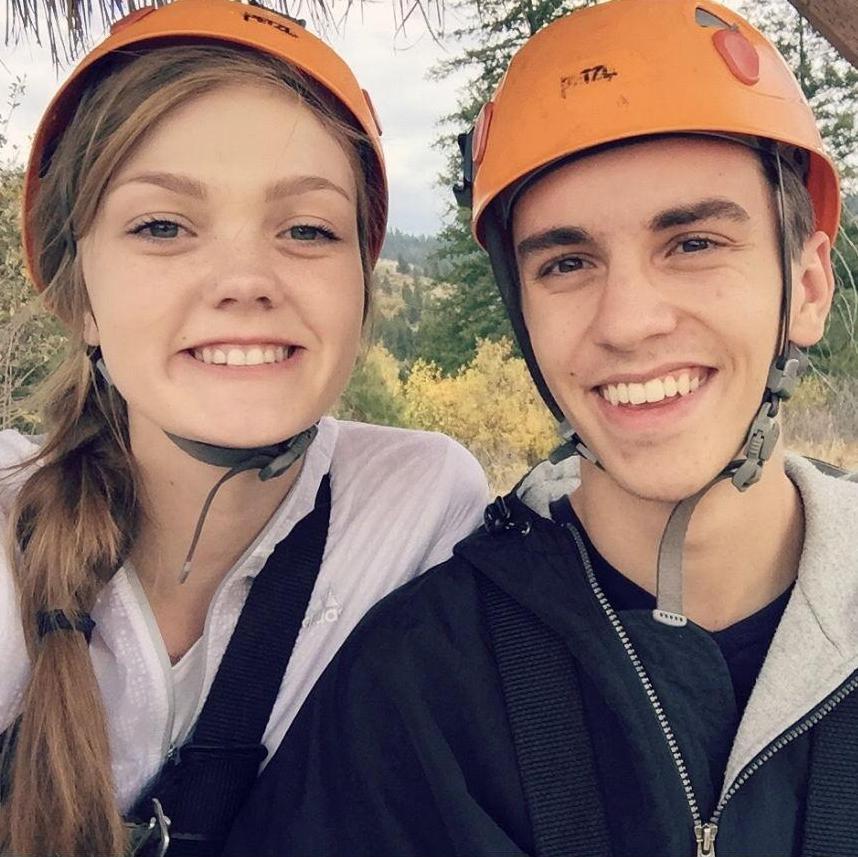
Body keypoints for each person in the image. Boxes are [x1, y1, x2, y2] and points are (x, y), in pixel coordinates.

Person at [223, 1, 858, 855]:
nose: (628, 322)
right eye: (567, 262)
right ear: (523, 313)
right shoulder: (412, 696)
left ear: (808, 285)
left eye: (695, 243)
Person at [0, 2, 489, 854]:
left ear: (360, 288)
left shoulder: (420, 505)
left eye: (307, 229)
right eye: (162, 226)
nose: (244, 279)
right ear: (78, 296)